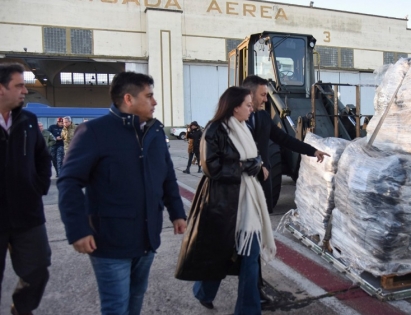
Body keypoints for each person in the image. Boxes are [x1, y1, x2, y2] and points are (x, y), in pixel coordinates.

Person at [57, 71, 187, 315]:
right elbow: (69, 182)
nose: (155, 102)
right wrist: (77, 229)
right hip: (110, 241)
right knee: (116, 307)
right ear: (129, 99)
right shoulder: (94, 132)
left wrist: (177, 212)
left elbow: (167, 175)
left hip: (147, 237)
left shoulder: (155, 131)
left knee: (135, 299)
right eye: (149, 96)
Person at [175, 86, 276, 315]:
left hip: (248, 200)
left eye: (252, 104)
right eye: (248, 105)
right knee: (221, 253)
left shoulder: (243, 127)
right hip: (223, 202)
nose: (252, 109)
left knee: (249, 257)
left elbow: (253, 157)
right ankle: (203, 292)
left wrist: (256, 166)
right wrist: (246, 166)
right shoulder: (214, 130)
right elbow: (212, 167)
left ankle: (247, 309)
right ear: (234, 106)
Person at [0, 63, 52, 315]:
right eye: (19, 85)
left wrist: (37, 188)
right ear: (1, 89)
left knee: (38, 269)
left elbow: (43, 158)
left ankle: (21, 309)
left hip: (27, 214)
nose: (25, 91)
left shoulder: (29, 121)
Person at [241, 75, 330, 213]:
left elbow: (285, 139)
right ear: (250, 94)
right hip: (241, 185)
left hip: (262, 185)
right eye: (263, 95)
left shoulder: (263, 117)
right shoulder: (231, 121)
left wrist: (312, 151)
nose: (266, 99)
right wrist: (256, 165)